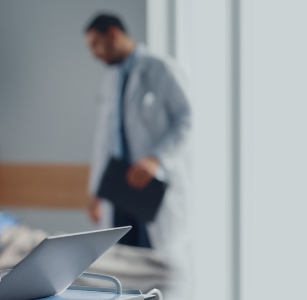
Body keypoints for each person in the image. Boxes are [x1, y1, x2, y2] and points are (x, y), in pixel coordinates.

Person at [84, 13, 192, 297]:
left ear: (114, 35)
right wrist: (96, 193)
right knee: (123, 270)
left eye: (97, 45)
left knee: (155, 269)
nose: (95, 54)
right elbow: (103, 140)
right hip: (118, 188)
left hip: (151, 186)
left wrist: (157, 158)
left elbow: (187, 119)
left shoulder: (160, 69)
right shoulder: (111, 80)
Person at [0, 177, 169, 291]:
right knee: (85, 265)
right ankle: (165, 276)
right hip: (5, 250)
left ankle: (164, 266)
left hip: (22, 235)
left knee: (96, 251)